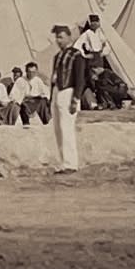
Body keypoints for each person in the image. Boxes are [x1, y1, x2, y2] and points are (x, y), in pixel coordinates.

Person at [50, 25, 85, 173]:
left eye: (61, 37)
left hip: (68, 92)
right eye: (57, 37)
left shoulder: (76, 55)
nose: (58, 40)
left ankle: (71, 164)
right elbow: (53, 78)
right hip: (57, 92)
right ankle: (63, 162)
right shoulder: (57, 56)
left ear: (69, 37)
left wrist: (75, 99)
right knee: (58, 129)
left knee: (67, 128)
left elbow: (80, 79)